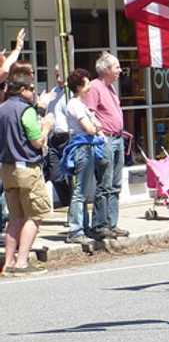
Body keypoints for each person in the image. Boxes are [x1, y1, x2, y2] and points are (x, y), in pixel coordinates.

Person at [0, 72, 54, 276]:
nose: (33, 92)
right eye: (31, 88)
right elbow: (37, 141)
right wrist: (47, 126)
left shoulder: (2, 109)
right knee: (35, 215)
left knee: (15, 217)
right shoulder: (25, 111)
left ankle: (8, 262)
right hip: (27, 168)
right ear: (22, 90)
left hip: (6, 168)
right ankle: (22, 262)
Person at [84, 52, 127, 240]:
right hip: (105, 139)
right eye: (116, 67)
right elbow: (90, 114)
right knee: (105, 183)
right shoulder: (95, 87)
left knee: (116, 184)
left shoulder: (110, 88)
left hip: (118, 138)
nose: (119, 70)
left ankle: (112, 223)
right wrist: (99, 134)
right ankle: (100, 225)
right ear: (106, 69)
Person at [63, 69, 104, 244]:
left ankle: (83, 227)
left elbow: (98, 124)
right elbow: (90, 127)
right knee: (79, 191)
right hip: (81, 148)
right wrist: (96, 129)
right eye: (87, 83)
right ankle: (75, 230)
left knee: (84, 191)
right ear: (79, 86)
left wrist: (96, 127)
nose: (90, 87)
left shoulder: (82, 105)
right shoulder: (75, 104)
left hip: (88, 147)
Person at [44, 67, 72, 208]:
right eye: (56, 74)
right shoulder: (53, 92)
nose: (57, 76)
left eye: (60, 73)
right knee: (55, 175)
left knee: (72, 176)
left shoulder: (71, 93)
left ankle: (73, 212)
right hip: (54, 138)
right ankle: (67, 203)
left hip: (69, 137)